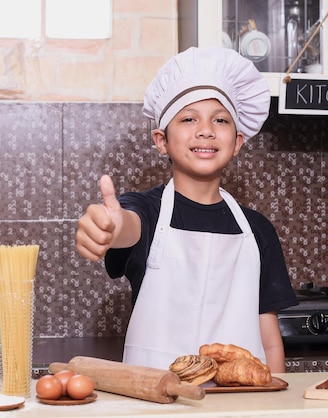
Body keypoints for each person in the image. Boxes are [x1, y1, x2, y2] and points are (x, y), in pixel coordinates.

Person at [76, 47, 298, 373]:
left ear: (237, 142)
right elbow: (126, 225)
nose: (205, 130)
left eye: (220, 119)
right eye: (189, 118)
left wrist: (277, 404)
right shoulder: (147, 212)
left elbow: (269, 340)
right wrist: (110, 227)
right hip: (155, 403)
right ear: (161, 140)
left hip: (242, 406)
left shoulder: (258, 230)